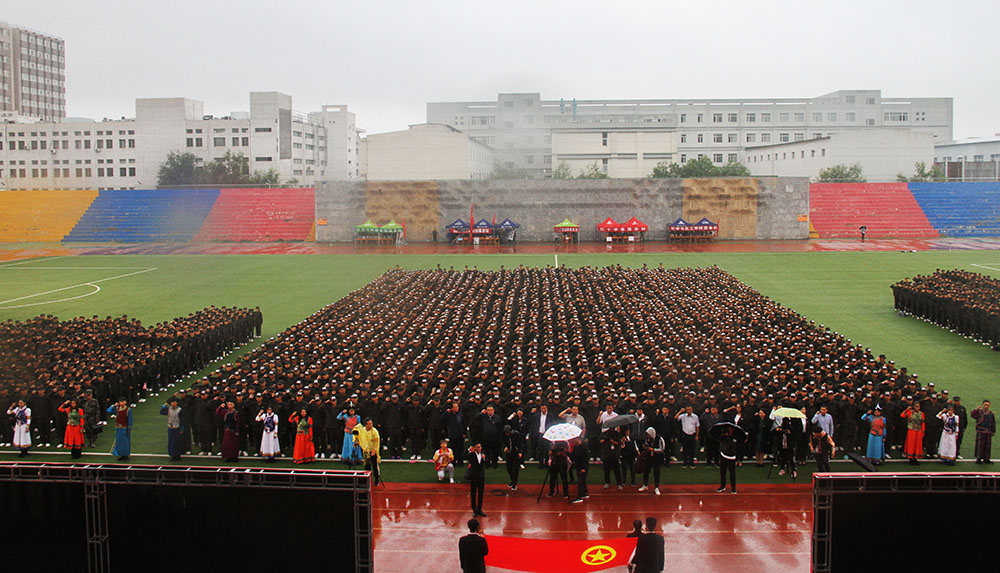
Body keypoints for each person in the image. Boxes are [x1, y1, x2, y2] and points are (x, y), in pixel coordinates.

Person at [638, 427, 665, 495]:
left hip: (657, 457)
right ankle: (645, 485)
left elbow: (662, 449)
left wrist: (653, 450)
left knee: (656, 472)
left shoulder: (659, 439)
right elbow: (646, 446)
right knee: (646, 471)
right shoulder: (647, 439)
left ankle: (656, 487)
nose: (648, 436)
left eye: (648, 434)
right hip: (649, 457)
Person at [716, 425, 743, 493]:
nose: (730, 430)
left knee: (732, 473)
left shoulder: (735, 437)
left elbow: (735, 445)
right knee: (722, 472)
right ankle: (722, 486)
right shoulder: (724, 436)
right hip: (724, 455)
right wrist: (724, 435)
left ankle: (733, 488)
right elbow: (720, 440)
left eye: (731, 429)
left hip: (731, 457)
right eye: (729, 429)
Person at [358, 417, 382, 485]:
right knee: (367, 465)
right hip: (366, 451)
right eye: (369, 424)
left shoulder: (374, 431)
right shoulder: (362, 430)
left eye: (371, 423)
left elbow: (377, 442)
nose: (371, 425)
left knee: (375, 466)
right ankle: (367, 479)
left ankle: (376, 479)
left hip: (373, 450)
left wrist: (374, 450)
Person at [159, 397, 184, 461]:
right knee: (171, 442)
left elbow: (182, 420)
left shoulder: (179, 410)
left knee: (177, 442)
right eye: (172, 402)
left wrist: (181, 429)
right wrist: (163, 406)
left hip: (177, 427)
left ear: (177, 403)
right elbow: (161, 412)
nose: (173, 404)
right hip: (170, 428)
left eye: (174, 402)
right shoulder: (169, 409)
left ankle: (178, 454)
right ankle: (172, 454)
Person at [971, 400, 995, 464]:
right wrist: (976, 409)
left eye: (988, 405)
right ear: (983, 405)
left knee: (988, 446)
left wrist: (993, 431)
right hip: (980, 431)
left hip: (988, 432)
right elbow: (972, 415)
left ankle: (986, 459)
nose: (986, 406)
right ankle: (978, 459)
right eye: (985, 405)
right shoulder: (979, 412)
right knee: (980, 446)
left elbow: (993, 422)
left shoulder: (991, 413)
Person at [467, 441, 487, 517]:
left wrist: (484, 458)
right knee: (473, 493)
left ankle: (479, 509)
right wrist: (469, 450)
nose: (480, 448)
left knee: (481, 493)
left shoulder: (483, 454)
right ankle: (474, 510)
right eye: (478, 447)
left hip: (481, 476)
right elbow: (464, 456)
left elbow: (487, 462)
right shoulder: (471, 454)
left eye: (480, 447)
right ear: (475, 448)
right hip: (474, 476)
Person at [502, 425, 523, 490]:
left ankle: (514, 483)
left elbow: (520, 443)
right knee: (509, 467)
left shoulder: (516, 434)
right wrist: (505, 447)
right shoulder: (504, 436)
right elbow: (504, 442)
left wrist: (520, 452)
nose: (507, 434)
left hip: (515, 453)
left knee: (515, 469)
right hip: (509, 453)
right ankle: (512, 480)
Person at [571, 438, 589, 503]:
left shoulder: (583, 447)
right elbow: (573, 456)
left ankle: (580, 496)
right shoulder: (576, 447)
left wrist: (583, 468)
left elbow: (586, 458)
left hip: (582, 466)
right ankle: (584, 493)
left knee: (581, 481)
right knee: (582, 480)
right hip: (578, 466)